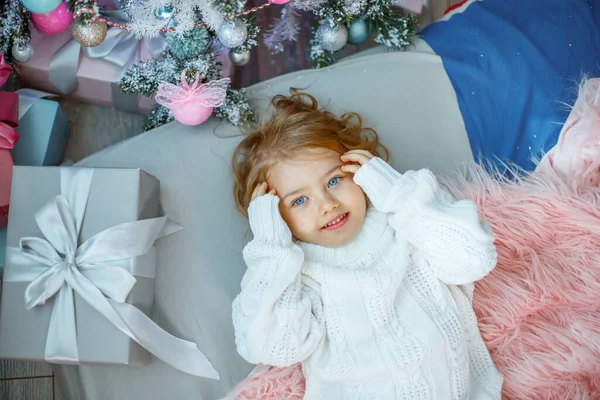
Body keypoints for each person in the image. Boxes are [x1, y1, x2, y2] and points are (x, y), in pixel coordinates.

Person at [230, 91, 503, 399]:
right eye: (300, 200)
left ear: (359, 168)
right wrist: (271, 247)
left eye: (334, 181)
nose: (328, 205)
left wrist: (396, 192)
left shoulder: (404, 221)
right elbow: (274, 347)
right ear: (275, 216)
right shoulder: (295, 273)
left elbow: (473, 259)